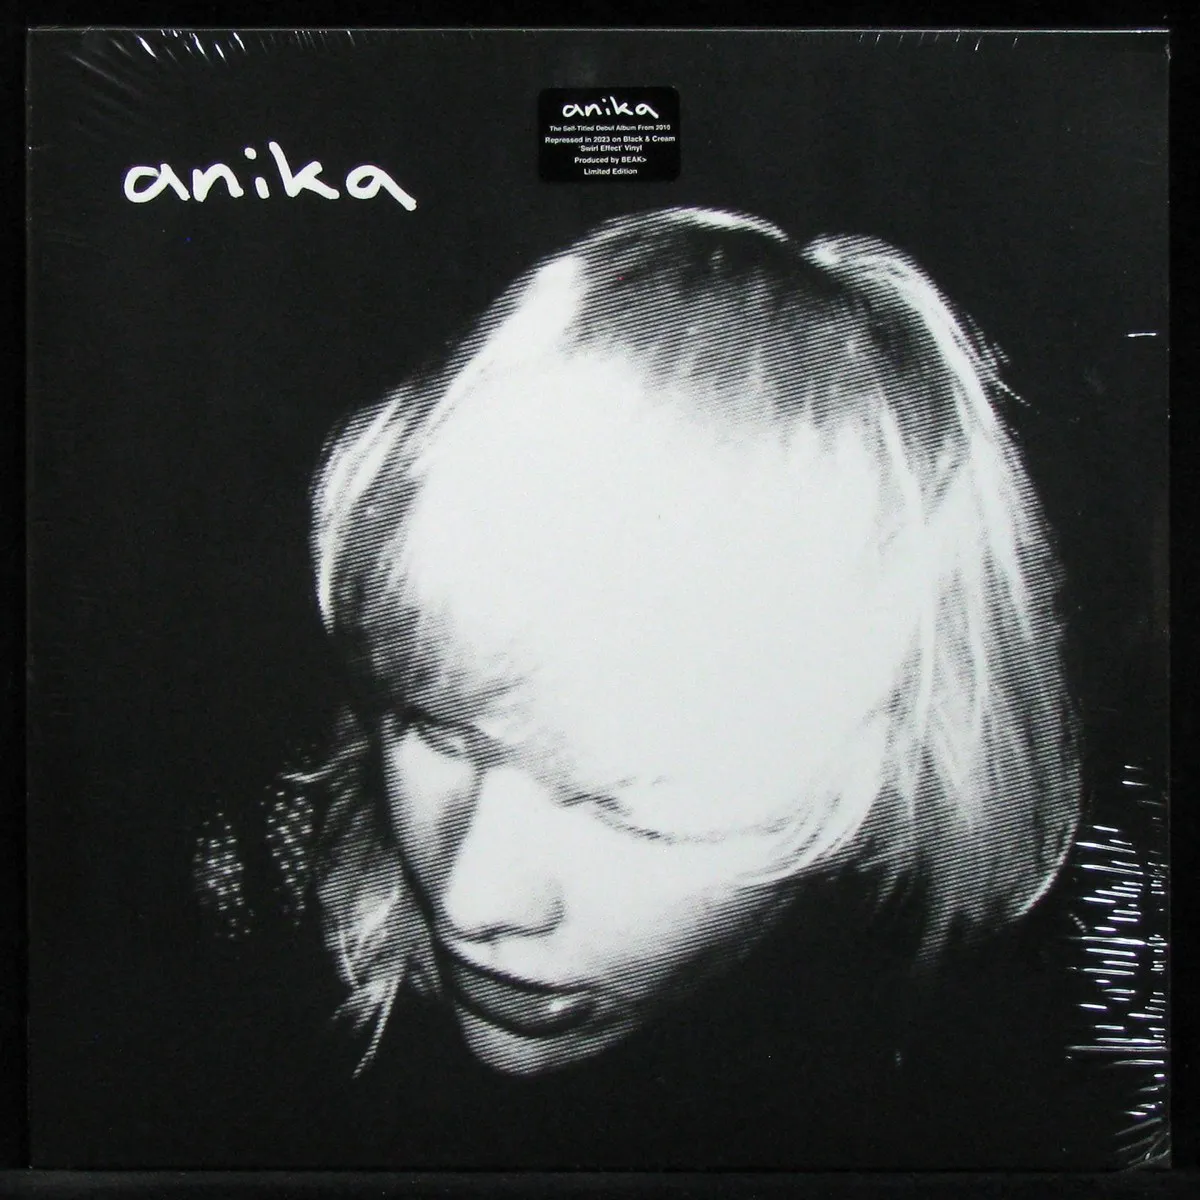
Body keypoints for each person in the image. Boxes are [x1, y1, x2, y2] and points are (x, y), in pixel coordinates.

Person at [195, 206, 1150, 1167]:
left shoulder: (1088, 1041)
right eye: (438, 728)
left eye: (632, 808)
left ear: (891, 772)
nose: (474, 897)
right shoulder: (256, 890)